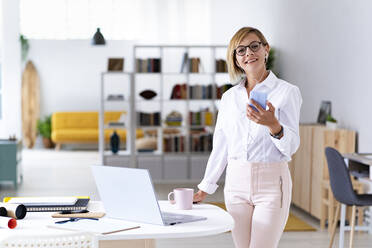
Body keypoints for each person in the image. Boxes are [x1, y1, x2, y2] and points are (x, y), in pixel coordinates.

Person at [193, 27, 302, 248]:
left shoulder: (287, 92)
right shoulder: (229, 98)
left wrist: (273, 125)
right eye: (240, 50)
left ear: (265, 50)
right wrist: (206, 186)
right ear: (235, 59)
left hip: (272, 184)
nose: (248, 53)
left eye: (254, 46)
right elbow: (221, 146)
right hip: (236, 183)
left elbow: (290, 148)